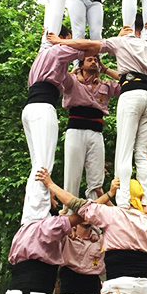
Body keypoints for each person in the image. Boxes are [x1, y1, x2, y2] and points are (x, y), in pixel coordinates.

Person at [47, 14, 147, 207]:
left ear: (129, 25)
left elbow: (87, 43)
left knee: (124, 151)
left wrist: (58, 41)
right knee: (142, 152)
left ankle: (123, 202)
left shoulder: (121, 41)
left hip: (132, 93)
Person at [21, 29, 85, 224]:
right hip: (42, 108)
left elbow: (67, 84)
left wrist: (69, 73)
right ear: (62, 38)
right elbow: (83, 50)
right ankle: (37, 215)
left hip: (31, 109)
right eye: (68, 38)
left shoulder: (43, 58)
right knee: (43, 165)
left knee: (37, 164)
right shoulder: (56, 51)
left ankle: (31, 212)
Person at [62, 55, 120, 200]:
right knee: (72, 174)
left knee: (96, 178)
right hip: (76, 130)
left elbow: (128, 83)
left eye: (96, 59)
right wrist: (73, 72)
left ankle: (94, 216)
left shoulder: (106, 85)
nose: (94, 61)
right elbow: (60, 77)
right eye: (90, 59)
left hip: (96, 132)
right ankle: (69, 214)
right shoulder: (73, 81)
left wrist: (106, 69)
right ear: (81, 65)